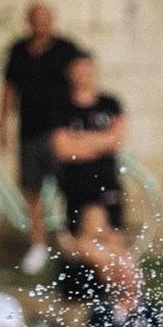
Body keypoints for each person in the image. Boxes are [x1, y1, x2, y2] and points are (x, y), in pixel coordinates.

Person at [0, 1, 88, 273]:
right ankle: (38, 245)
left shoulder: (66, 49)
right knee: (32, 192)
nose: (42, 23)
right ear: (29, 22)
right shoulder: (18, 51)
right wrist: (3, 123)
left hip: (60, 133)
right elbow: (8, 88)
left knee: (69, 187)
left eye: (47, 18)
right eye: (37, 18)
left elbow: (84, 74)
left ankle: (74, 240)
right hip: (29, 132)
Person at [53, 54, 128, 237]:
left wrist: (79, 141)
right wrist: (102, 140)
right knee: (84, 239)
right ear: (70, 73)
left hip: (107, 179)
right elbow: (63, 150)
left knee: (113, 236)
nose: (82, 74)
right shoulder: (62, 107)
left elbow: (116, 140)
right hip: (76, 183)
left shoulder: (110, 103)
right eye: (78, 70)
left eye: (86, 69)